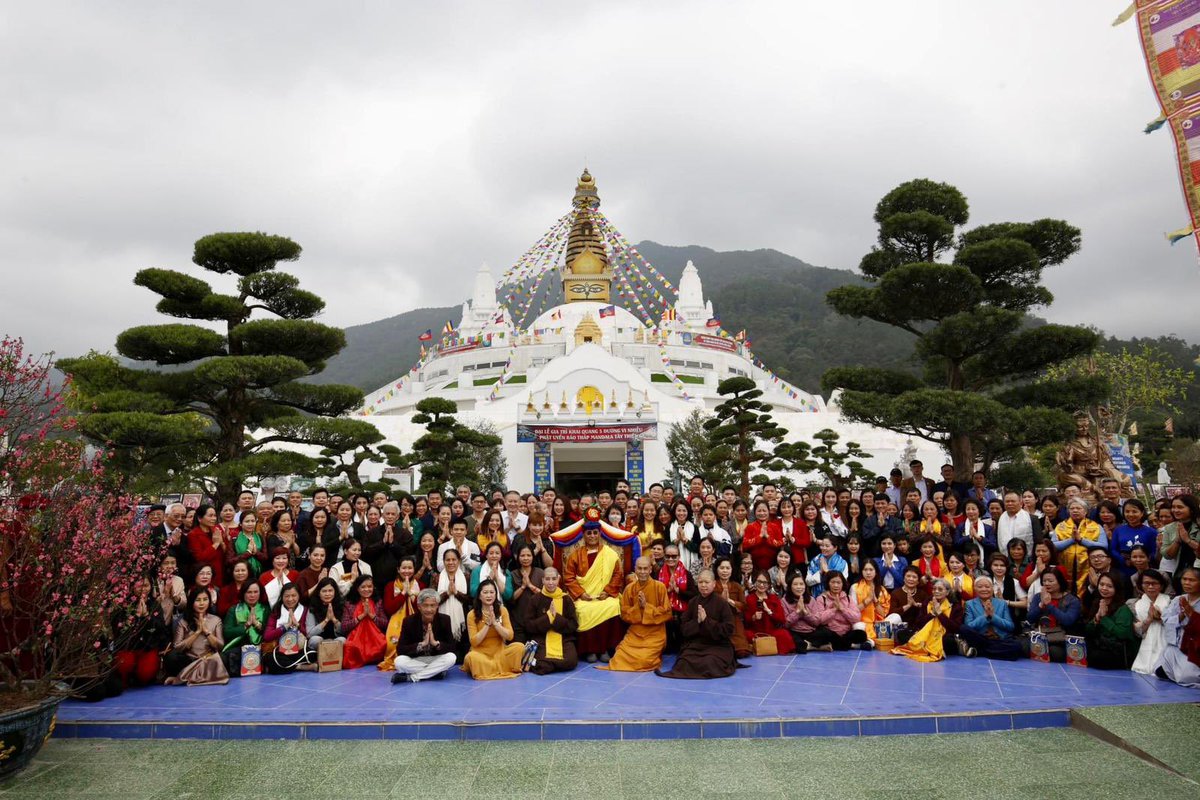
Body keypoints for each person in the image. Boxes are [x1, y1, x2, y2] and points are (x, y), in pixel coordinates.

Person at [656, 570, 739, 679]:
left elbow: (729, 629)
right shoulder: (693, 602)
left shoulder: (721, 603)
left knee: (710, 662)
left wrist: (707, 621)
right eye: (700, 582)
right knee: (683, 662)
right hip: (696, 644)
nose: (703, 585)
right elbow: (684, 628)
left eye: (706, 582)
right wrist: (698, 622)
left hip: (717, 645)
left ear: (714, 584)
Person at [563, 520, 626, 663]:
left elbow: (617, 575)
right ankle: (590, 650)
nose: (592, 536)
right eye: (589, 533)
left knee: (613, 606)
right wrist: (581, 593)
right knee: (583, 610)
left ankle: (605, 649)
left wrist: (608, 591)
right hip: (584, 596)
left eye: (595, 533)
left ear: (600, 534)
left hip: (604, 595)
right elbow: (569, 577)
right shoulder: (576, 555)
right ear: (584, 535)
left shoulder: (609, 554)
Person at [606, 556, 672, 672]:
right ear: (635, 569)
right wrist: (638, 607)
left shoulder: (659, 587)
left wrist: (646, 607)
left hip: (655, 632)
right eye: (640, 569)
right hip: (635, 631)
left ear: (650, 569)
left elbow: (667, 613)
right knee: (618, 657)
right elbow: (624, 614)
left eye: (645, 569)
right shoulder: (629, 589)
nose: (642, 572)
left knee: (643, 660)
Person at [462, 579, 527, 680]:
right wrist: (487, 625)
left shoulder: (502, 610)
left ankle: (491, 668)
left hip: (500, 652)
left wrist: (495, 624)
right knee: (471, 658)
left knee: (519, 647)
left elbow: (510, 636)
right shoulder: (472, 614)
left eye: (492, 592)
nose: (489, 595)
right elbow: (474, 642)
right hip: (481, 654)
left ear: (496, 595)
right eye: (485, 592)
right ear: (479, 596)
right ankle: (496, 668)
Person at [390, 588, 459, 684]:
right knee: (398, 661)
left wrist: (436, 644)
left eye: (432, 605)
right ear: (419, 606)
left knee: (451, 658)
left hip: (436, 658)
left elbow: (452, 648)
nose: (429, 609)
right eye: (425, 605)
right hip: (417, 659)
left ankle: (413, 677)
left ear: (437, 606)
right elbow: (401, 649)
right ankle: (435, 672)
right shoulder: (409, 621)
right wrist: (421, 644)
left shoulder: (445, 620)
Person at [163, 588, 229, 686]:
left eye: (205, 599)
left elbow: (220, 646)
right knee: (171, 657)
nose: (202, 603)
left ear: (209, 601)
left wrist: (206, 632)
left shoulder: (216, 620)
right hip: (189, 660)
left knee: (224, 658)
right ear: (191, 602)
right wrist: (197, 632)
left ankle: (183, 677)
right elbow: (177, 647)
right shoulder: (183, 621)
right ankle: (199, 676)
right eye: (198, 600)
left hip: (208, 659)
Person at [112, 576, 169, 688]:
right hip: (128, 647)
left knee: (145, 674)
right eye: (139, 586)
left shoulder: (154, 604)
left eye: (146, 585)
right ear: (132, 587)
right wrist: (135, 617)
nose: (143, 589)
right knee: (124, 665)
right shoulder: (123, 605)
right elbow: (119, 632)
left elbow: (160, 629)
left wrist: (147, 616)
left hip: (148, 647)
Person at [523, 568, 579, 674]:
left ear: (558, 579)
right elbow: (528, 625)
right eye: (547, 579)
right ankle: (553, 664)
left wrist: (556, 618)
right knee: (542, 662)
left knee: (571, 661)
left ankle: (549, 665)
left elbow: (573, 625)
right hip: (542, 637)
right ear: (543, 580)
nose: (551, 583)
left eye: (554, 579)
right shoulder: (535, 599)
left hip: (563, 638)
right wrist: (548, 617)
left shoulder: (566, 599)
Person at [892, 578, 961, 662]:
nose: (936, 591)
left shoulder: (955, 606)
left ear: (947, 592)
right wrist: (931, 614)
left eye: (940, 589)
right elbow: (919, 623)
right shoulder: (927, 602)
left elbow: (955, 628)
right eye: (934, 589)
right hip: (925, 633)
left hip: (943, 635)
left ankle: (927, 648)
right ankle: (930, 648)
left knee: (948, 641)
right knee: (901, 634)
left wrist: (940, 614)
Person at [1023, 567, 1083, 663]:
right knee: (1023, 647)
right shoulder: (1038, 596)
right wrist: (1041, 605)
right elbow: (1029, 618)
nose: (1046, 583)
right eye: (1044, 581)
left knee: (1054, 652)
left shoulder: (1072, 600)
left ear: (1060, 581)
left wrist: (1049, 605)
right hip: (1039, 635)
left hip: (1060, 637)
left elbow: (1068, 621)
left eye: (1050, 581)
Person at [797, 572, 868, 651]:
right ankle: (849, 645)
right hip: (830, 632)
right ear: (828, 583)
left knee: (861, 634)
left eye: (838, 582)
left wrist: (842, 609)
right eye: (833, 582)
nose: (836, 585)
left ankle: (838, 645)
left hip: (846, 633)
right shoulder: (821, 598)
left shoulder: (848, 598)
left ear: (842, 584)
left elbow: (857, 617)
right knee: (823, 633)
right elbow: (819, 620)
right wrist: (834, 609)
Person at [1153, 567, 1200, 688]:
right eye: (1184, 579)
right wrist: (1181, 616)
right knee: (1159, 671)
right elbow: (1166, 620)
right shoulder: (1178, 599)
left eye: (1192, 580)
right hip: (1177, 645)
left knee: (1186, 677)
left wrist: (1192, 616)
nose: (1187, 583)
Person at [1083, 573, 1138, 670]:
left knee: (1096, 657)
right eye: (1101, 584)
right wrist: (1097, 618)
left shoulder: (1123, 609)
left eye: (1109, 586)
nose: (1104, 588)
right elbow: (1088, 631)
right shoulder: (1097, 603)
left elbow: (1122, 633)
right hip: (1100, 644)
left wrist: (1104, 618)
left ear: (1116, 588)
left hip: (1116, 650)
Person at [959, 576, 1022, 660]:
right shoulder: (969, 604)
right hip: (979, 638)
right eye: (980, 587)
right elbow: (969, 626)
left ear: (992, 588)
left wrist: (993, 616)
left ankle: (978, 651)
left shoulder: (1002, 603)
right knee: (963, 628)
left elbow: (1010, 626)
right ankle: (991, 650)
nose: (984, 589)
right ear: (975, 589)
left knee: (1016, 646)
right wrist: (985, 616)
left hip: (999, 638)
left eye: (987, 586)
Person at [1053, 498, 1106, 595]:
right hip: (1065, 566)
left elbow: (1104, 546)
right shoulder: (1061, 526)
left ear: (1085, 511)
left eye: (1078, 508)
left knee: (1086, 595)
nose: (1075, 510)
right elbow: (1053, 546)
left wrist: (1081, 540)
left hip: (1087, 567)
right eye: (1072, 508)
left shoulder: (1095, 526)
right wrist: (1071, 540)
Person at [378, 557, 422, 672]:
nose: (407, 571)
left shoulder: (420, 585)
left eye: (410, 568)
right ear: (398, 569)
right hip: (396, 623)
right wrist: (403, 594)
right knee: (392, 645)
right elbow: (389, 609)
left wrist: (412, 596)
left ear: (414, 569)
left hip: (416, 621)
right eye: (404, 568)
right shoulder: (390, 586)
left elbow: (424, 609)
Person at [264, 583, 317, 674]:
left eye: (293, 595)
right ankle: (300, 667)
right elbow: (267, 636)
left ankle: (285, 666)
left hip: (299, 650)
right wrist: (285, 626)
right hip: (280, 651)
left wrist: (298, 625)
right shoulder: (276, 611)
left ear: (299, 596)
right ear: (282, 597)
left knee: (312, 653)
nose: (290, 599)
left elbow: (308, 634)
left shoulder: (305, 610)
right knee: (269, 658)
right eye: (287, 596)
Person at [341, 574, 388, 670]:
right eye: (363, 587)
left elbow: (385, 624)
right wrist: (361, 616)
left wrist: (371, 616)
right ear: (357, 589)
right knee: (350, 647)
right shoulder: (349, 604)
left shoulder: (378, 602)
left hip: (376, 639)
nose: (367, 589)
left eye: (369, 586)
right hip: (355, 639)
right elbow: (344, 627)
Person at [361, 501, 413, 586]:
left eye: (393, 514)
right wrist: (382, 542)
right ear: (382, 515)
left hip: (398, 578)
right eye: (387, 514)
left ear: (397, 516)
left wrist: (393, 543)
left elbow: (408, 554)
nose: (390, 516)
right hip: (376, 577)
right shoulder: (371, 533)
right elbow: (365, 553)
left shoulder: (405, 534)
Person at [1131, 569, 1171, 675]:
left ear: (1161, 586)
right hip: (1142, 642)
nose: (1150, 587)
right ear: (1141, 585)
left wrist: (1160, 619)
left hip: (1167, 641)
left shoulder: (1170, 602)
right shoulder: (1134, 604)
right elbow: (1137, 632)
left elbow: (1176, 626)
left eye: (1154, 583)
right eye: (1146, 583)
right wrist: (1148, 620)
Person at [744, 571, 795, 655]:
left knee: (784, 634)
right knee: (746, 634)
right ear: (755, 582)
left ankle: (765, 647)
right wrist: (753, 617)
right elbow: (746, 621)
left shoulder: (774, 598)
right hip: (756, 633)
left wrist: (769, 611)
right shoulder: (749, 599)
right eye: (759, 582)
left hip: (772, 633)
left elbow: (782, 619)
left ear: (769, 585)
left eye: (765, 583)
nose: (761, 585)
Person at [1160, 494, 1200, 589]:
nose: (1175, 510)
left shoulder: (1198, 525)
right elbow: (1166, 554)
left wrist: (1188, 540)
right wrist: (1177, 541)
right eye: (1173, 507)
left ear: (1191, 508)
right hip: (1180, 574)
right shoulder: (1170, 527)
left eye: (1180, 507)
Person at [437, 549, 470, 660]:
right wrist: (447, 593)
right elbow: (433, 600)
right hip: (442, 618)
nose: (451, 562)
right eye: (448, 560)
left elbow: (470, 600)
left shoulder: (466, 577)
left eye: (454, 560)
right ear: (444, 561)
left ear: (459, 561)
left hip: (462, 619)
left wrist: (456, 593)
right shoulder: (437, 578)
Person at [1110, 499, 1157, 577]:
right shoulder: (1118, 530)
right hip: (1123, 569)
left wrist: (1141, 561)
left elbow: (1154, 551)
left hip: (1145, 569)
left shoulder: (1151, 532)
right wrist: (1123, 560)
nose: (1130, 514)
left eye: (1134, 511)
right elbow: (1113, 549)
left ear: (1142, 513)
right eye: (1127, 511)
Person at [187, 504, 228, 587]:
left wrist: (223, 542)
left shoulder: (216, 530)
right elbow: (200, 558)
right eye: (210, 516)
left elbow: (225, 553)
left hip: (220, 572)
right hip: (205, 575)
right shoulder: (193, 534)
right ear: (199, 518)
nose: (213, 518)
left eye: (214, 516)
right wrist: (216, 544)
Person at [852, 560, 890, 644]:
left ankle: (868, 641)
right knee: (858, 627)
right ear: (861, 572)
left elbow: (883, 614)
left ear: (876, 572)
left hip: (878, 623)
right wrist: (868, 600)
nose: (868, 573)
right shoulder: (855, 587)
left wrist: (875, 599)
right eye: (865, 570)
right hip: (861, 622)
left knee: (895, 617)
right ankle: (870, 641)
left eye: (871, 570)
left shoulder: (882, 590)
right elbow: (853, 611)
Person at [742, 501, 783, 573]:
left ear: (768, 511)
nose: (762, 513)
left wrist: (767, 537)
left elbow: (780, 544)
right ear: (755, 512)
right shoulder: (750, 527)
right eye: (759, 511)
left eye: (764, 511)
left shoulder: (775, 526)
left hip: (773, 563)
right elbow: (744, 545)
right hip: (754, 564)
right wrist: (760, 536)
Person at [306, 578, 345, 652]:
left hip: (336, 640)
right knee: (315, 640)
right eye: (324, 591)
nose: (327, 594)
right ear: (319, 593)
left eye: (330, 591)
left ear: (335, 592)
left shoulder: (341, 606)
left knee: (343, 640)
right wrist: (326, 620)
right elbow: (309, 634)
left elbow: (345, 632)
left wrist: (334, 619)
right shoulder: (313, 607)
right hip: (320, 642)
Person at [230, 511, 268, 578]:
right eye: (247, 521)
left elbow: (265, 558)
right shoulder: (234, 539)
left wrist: (256, 552)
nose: (250, 524)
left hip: (259, 574)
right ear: (241, 524)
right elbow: (229, 561)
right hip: (240, 574)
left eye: (253, 521)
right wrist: (248, 552)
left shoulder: (260, 537)